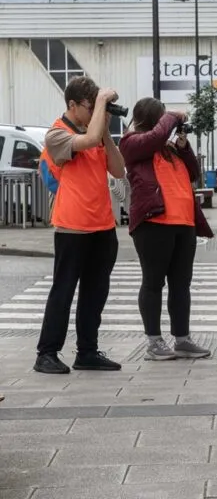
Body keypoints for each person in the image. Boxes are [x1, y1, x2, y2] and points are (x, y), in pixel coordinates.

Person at [34, 76, 126, 374]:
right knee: (63, 290)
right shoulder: (57, 134)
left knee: (95, 292)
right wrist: (100, 106)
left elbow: (118, 168)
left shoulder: (96, 132)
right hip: (72, 226)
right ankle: (46, 353)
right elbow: (84, 142)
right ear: (72, 105)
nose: (95, 111)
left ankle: (87, 351)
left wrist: (106, 131)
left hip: (102, 225)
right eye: (90, 105)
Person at [119, 98, 214, 361]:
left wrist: (184, 148)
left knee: (181, 284)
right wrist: (172, 116)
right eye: (161, 118)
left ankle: (182, 340)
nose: (167, 125)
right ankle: (154, 342)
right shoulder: (132, 143)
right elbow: (155, 136)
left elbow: (194, 173)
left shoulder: (168, 148)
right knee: (153, 282)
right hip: (153, 223)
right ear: (153, 119)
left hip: (184, 223)